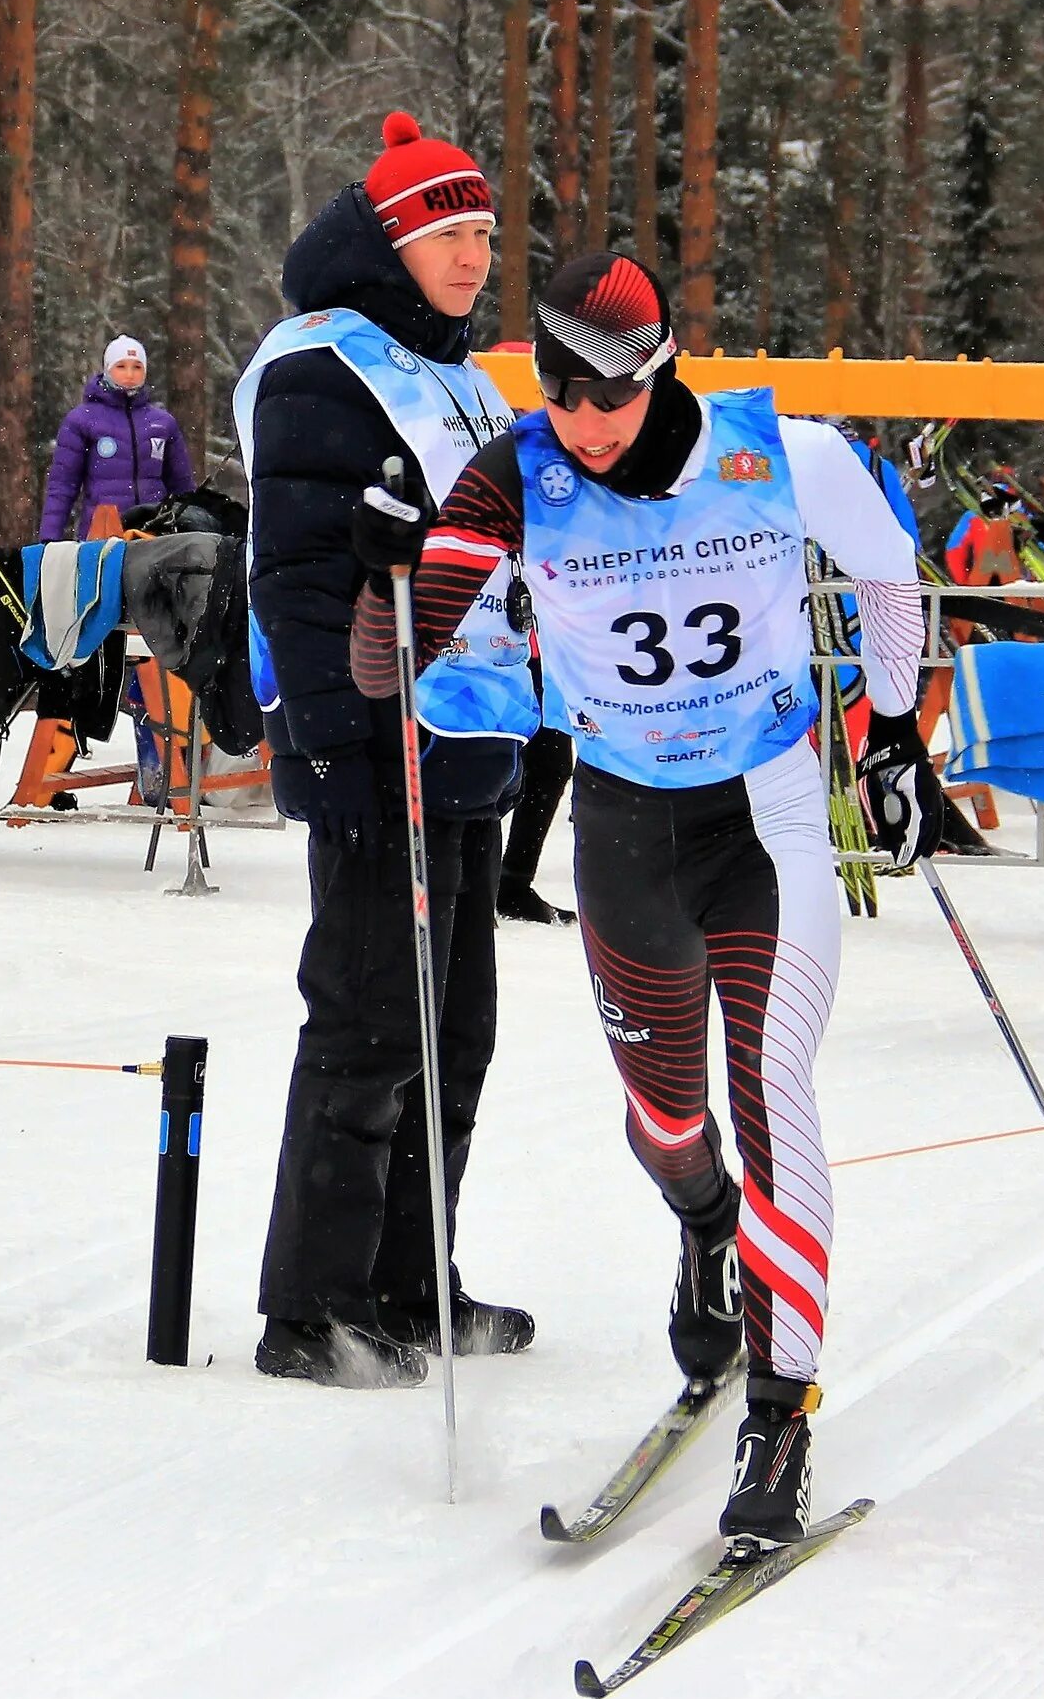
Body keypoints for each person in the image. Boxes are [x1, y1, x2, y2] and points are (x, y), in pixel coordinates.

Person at [351, 249, 940, 1546]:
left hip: (765, 821)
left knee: (772, 1097)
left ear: (659, 366)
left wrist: (893, 729)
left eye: (608, 397)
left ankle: (779, 1416)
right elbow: (390, 665)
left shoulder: (781, 450)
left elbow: (893, 571)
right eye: (563, 395)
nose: (588, 426)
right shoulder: (516, 473)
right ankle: (705, 1227)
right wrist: (381, 570)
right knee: (668, 1122)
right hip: (621, 826)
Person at [238, 112, 526, 1387]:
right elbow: (298, 574)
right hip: (373, 738)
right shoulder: (322, 366)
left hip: (467, 729)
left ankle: (414, 1284)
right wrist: (336, 744)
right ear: (394, 240)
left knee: (452, 1031)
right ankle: (312, 1307)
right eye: (449, 235)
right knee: (365, 1022)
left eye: (485, 237)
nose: (473, 259)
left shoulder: (465, 373)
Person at [38, 335, 197, 543]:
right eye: (121, 366)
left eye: (137, 367)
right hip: (103, 534)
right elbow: (63, 486)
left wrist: (193, 529)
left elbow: (182, 487)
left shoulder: (163, 423)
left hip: (154, 535)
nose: (130, 374)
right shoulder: (82, 420)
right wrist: (49, 538)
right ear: (107, 369)